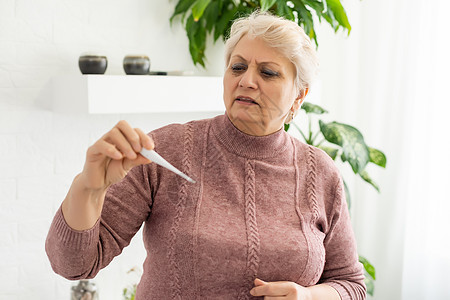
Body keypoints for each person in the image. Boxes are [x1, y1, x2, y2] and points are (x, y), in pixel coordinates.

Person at [46, 11, 366, 300]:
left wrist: (308, 297)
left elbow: (350, 285)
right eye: (237, 67)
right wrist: (89, 187)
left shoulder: (320, 172)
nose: (247, 81)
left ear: (299, 96)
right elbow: (73, 266)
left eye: (268, 73)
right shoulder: (166, 150)